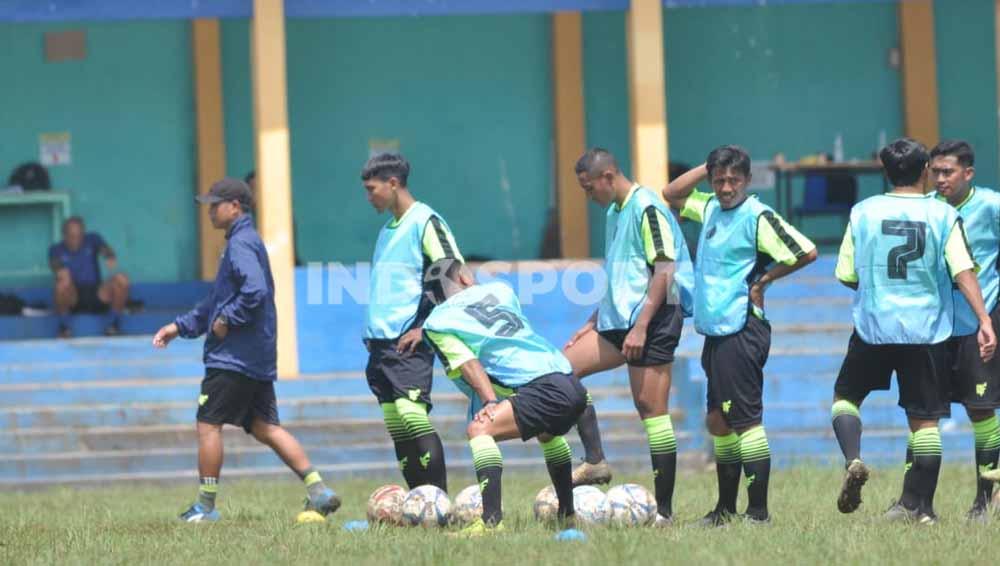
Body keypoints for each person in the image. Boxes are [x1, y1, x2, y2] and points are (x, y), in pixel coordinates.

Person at [152, 178, 340, 523]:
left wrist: (228, 317)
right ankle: (319, 491)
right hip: (256, 356)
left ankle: (205, 507)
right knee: (265, 426)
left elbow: (252, 292)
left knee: (208, 425)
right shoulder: (245, 242)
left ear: (235, 206)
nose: (209, 211)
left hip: (233, 358)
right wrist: (179, 327)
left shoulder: (240, 244)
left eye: (215, 204)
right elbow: (215, 301)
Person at [829, 138, 996, 524]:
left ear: (885, 172)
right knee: (925, 421)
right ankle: (921, 509)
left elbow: (846, 274)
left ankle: (854, 458)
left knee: (845, 398)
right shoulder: (940, 215)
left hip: (874, 327)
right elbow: (963, 270)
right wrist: (985, 320)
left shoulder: (863, 212)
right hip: (927, 330)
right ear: (924, 171)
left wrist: (880, 292)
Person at [664, 145, 817, 525]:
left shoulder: (758, 215)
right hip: (716, 331)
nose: (726, 186)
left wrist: (764, 280)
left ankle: (759, 513)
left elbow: (807, 251)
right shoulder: (710, 207)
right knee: (718, 421)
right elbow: (671, 194)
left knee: (745, 420)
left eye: (734, 180)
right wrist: (706, 164)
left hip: (742, 328)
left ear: (747, 181)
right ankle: (724, 511)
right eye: (720, 179)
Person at [564, 148, 694, 525]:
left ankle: (665, 514)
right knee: (558, 373)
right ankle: (595, 461)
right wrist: (593, 318)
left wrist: (641, 326)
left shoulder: (648, 207)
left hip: (653, 319)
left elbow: (665, 269)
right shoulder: (613, 212)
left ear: (608, 177)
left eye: (589, 188)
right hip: (616, 322)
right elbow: (623, 274)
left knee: (651, 411)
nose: (589, 196)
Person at [422, 259, 588, 536]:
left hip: (540, 388)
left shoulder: (438, 322)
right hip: (567, 377)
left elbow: (468, 362)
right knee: (547, 433)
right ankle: (567, 514)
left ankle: (491, 523)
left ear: (433, 298)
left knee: (479, 429)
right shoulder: (501, 290)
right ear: (464, 278)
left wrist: (489, 401)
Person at [361, 153, 463, 493]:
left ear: (392, 184)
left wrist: (427, 327)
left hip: (409, 338)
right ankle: (419, 500)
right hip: (381, 343)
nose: (368, 196)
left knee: (412, 414)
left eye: (371, 188)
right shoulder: (386, 230)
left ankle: (438, 500)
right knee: (395, 422)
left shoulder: (425, 220)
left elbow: (450, 272)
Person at [49, 216, 130, 338]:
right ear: (64, 235)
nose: (76, 240)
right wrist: (61, 271)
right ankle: (64, 328)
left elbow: (105, 249)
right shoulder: (55, 249)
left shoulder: (92, 239)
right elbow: (55, 264)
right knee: (61, 283)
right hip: (73, 297)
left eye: (79, 236)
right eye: (72, 236)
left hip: (97, 294)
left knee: (121, 279)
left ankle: (112, 326)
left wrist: (109, 256)